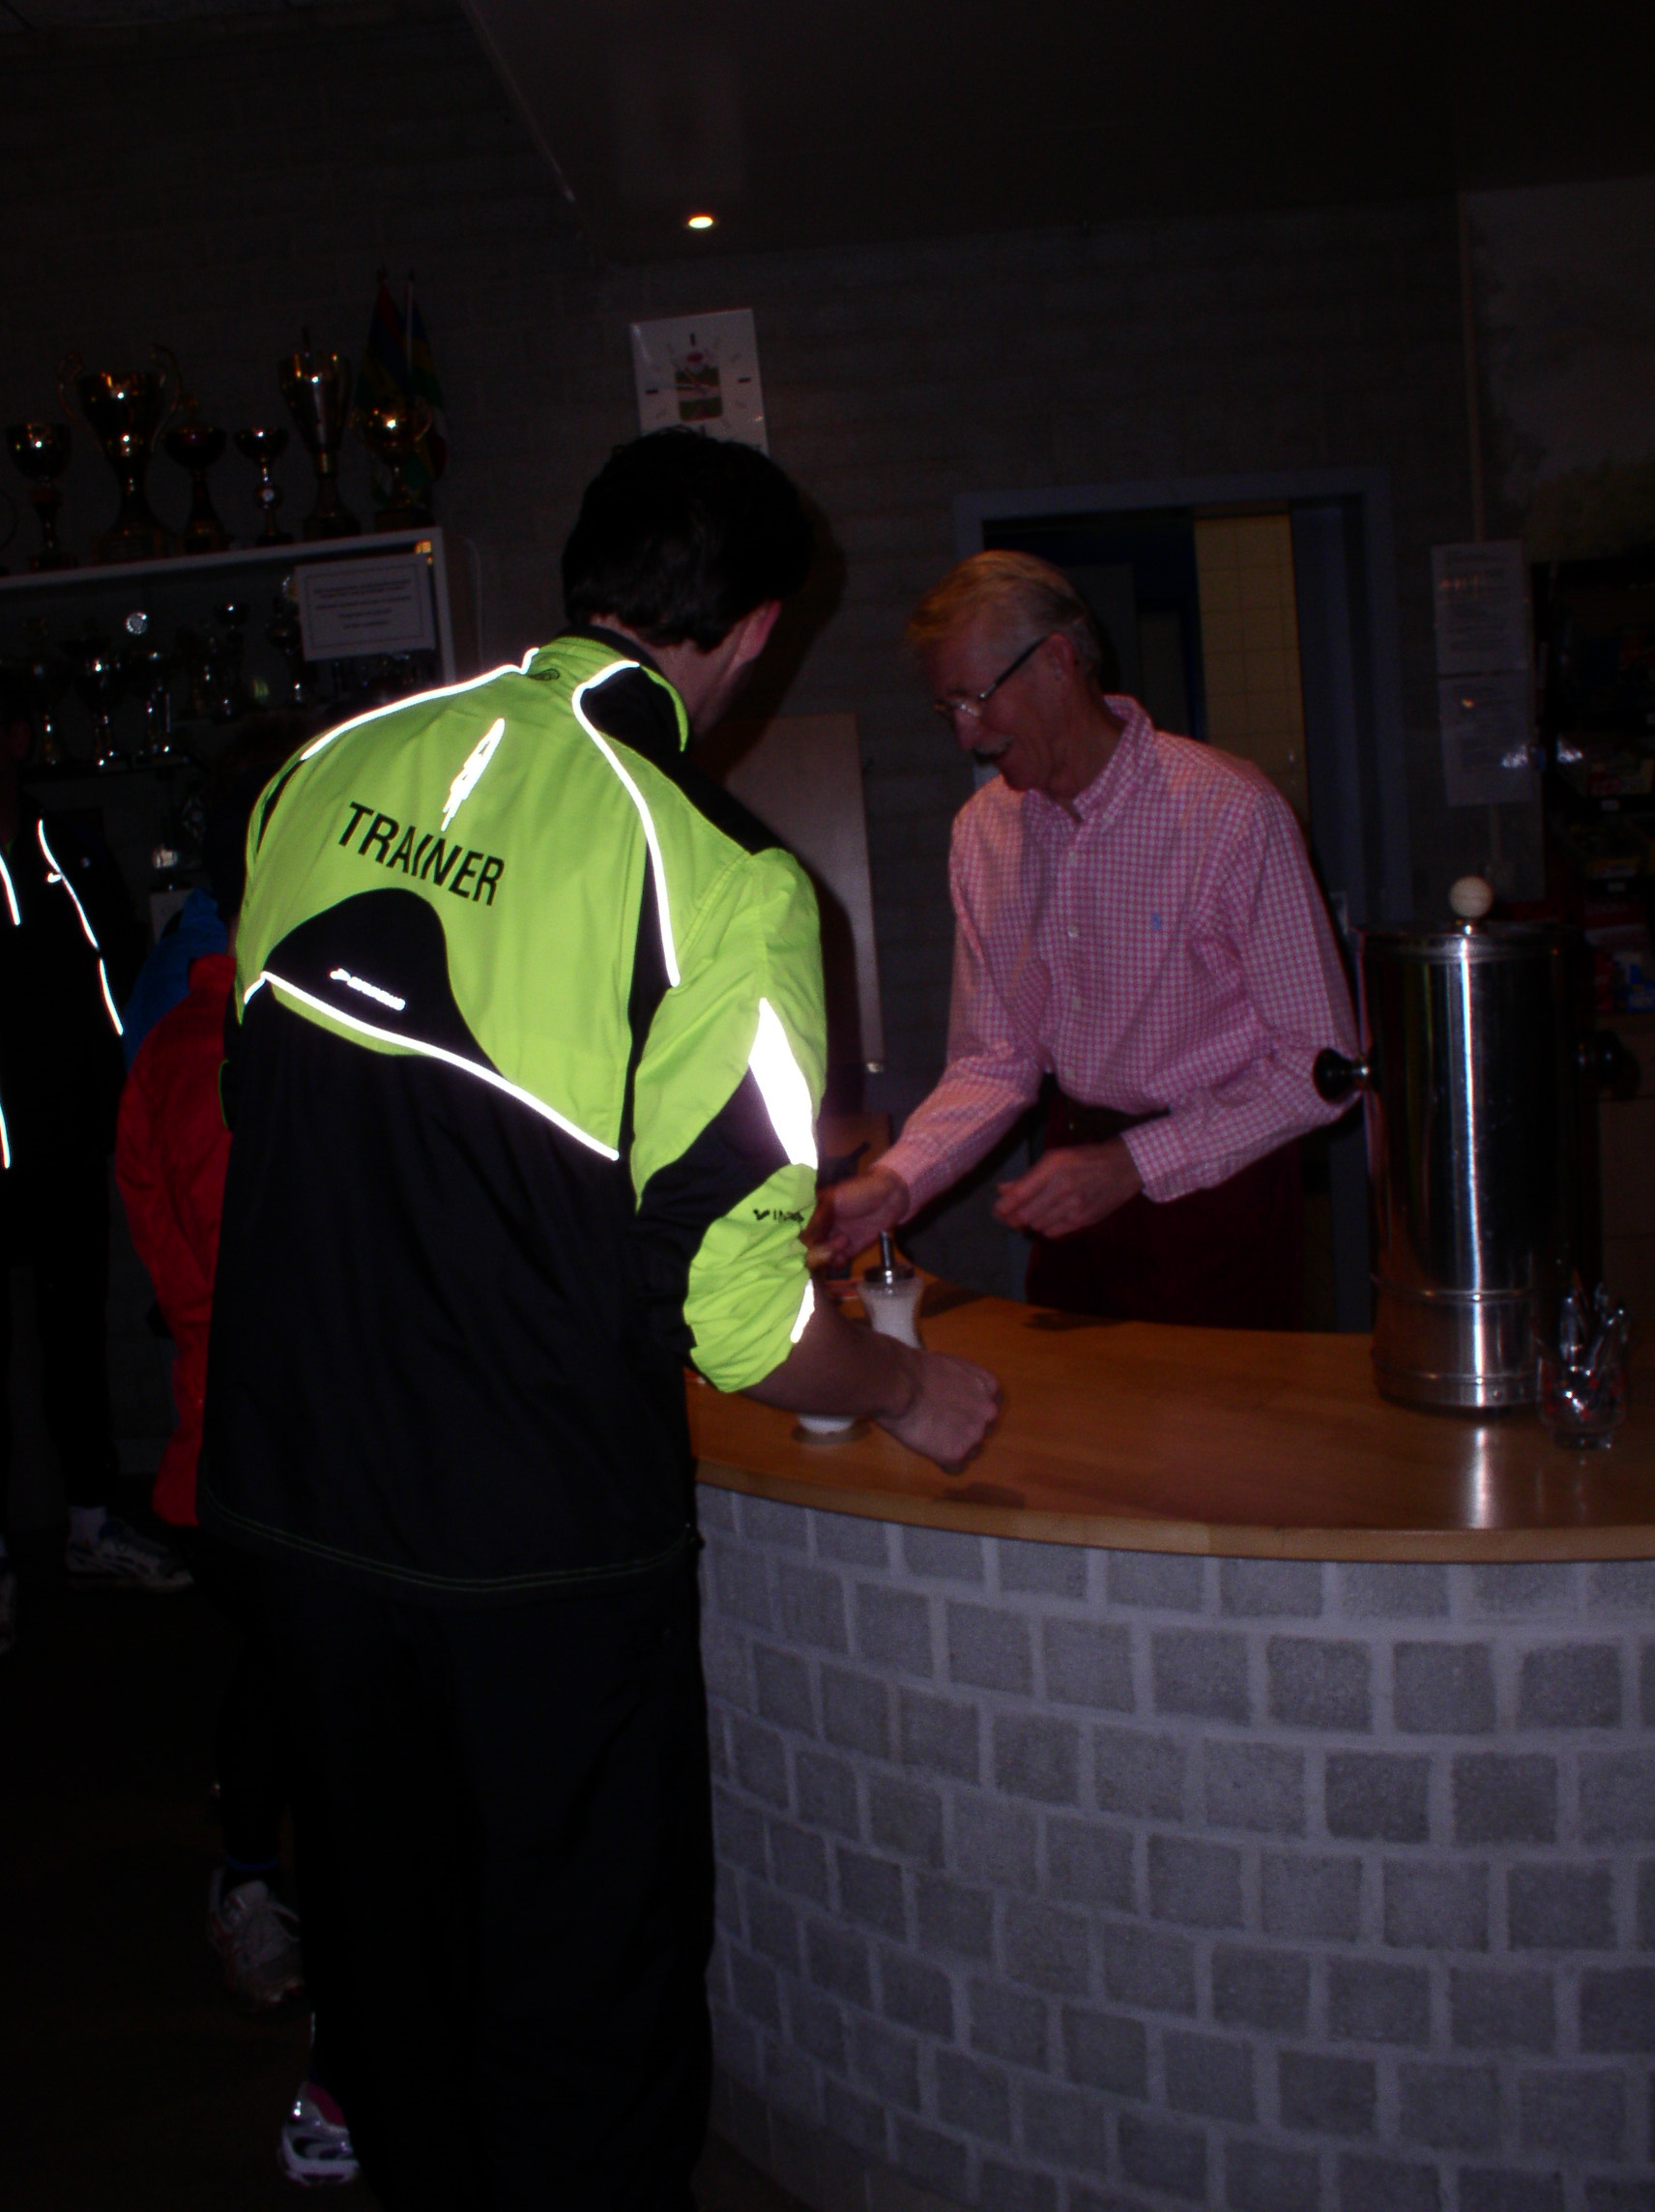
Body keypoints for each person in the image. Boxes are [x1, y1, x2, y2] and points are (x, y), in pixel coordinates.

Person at [201, 428, 999, 2210]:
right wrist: (902, 1388)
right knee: (587, 1995)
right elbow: (743, 1328)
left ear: (590, 573)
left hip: (293, 1509)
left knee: (390, 1967)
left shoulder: (323, 768)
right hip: (532, 1548)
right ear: (758, 630)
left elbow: (293, 1113)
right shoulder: (730, 885)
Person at [817, 550, 1357, 1326]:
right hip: (1074, 1184)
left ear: (1058, 662)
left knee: (1220, 1408)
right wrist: (899, 1182)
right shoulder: (982, 834)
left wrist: (1134, 1163)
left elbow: (1322, 1069)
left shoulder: (1229, 811)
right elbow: (995, 1061)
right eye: (948, 709)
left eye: (975, 699)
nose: (964, 735)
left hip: (1218, 1194)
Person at [115, 737, 360, 2186]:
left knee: (288, 1696)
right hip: (271, 1467)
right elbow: (270, 1288)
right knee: (328, 1729)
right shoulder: (235, 1054)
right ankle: (307, 1983)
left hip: (251, 1462)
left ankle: (256, 1891)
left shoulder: (236, 1037)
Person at [0, 704, 188, 1658]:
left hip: (64, 1147)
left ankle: (89, 1527)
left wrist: (118, 1110)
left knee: (74, 1342)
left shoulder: (64, 849)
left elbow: (118, 979)